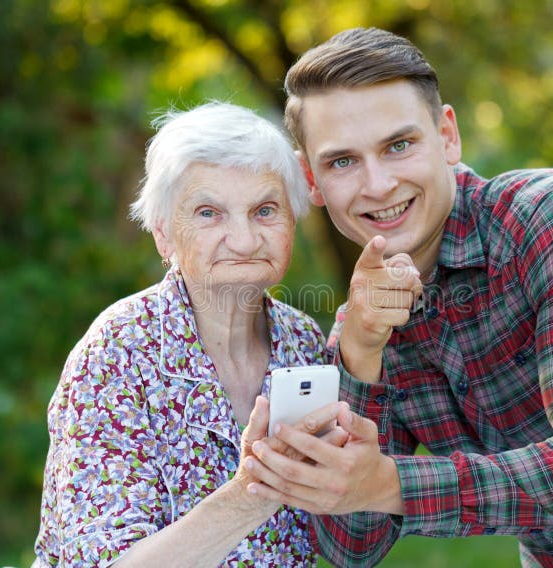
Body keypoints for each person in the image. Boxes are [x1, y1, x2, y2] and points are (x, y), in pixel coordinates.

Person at [244, 27, 553, 567]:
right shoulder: (367, 323)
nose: (378, 184)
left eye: (399, 145)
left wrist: (389, 482)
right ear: (312, 182)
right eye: (343, 162)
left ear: (447, 136)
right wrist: (360, 356)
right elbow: (352, 549)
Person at [31, 102, 347, 567]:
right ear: (163, 233)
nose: (242, 239)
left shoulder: (302, 342)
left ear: (292, 222)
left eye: (264, 211)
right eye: (208, 213)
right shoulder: (118, 353)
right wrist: (256, 491)